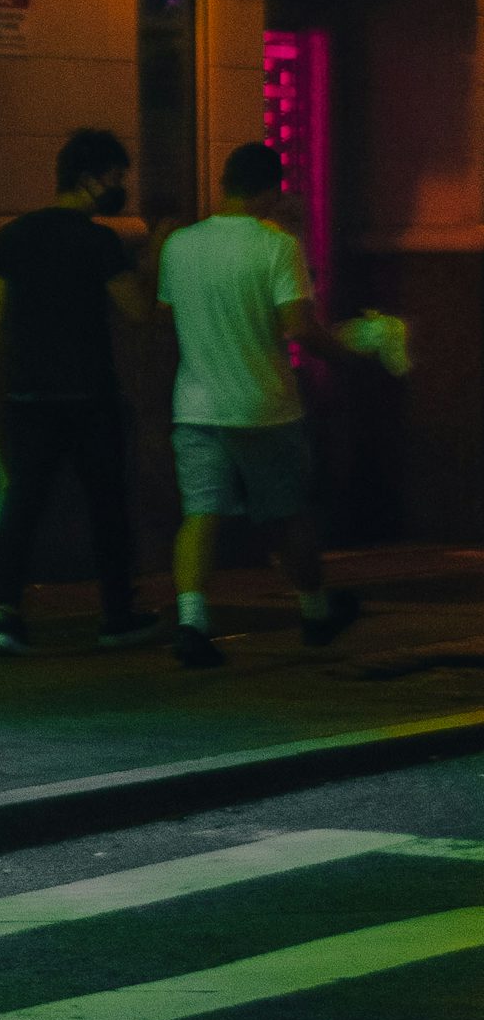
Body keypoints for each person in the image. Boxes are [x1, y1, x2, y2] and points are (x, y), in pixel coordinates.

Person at [158, 141, 372, 668]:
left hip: (195, 405)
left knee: (199, 515)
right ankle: (316, 612)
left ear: (227, 184)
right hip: (265, 407)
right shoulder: (277, 247)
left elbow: (166, 314)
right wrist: (346, 353)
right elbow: (298, 327)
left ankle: (191, 622)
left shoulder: (180, 245)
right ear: (271, 190)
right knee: (288, 514)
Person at [0, 127, 159, 652]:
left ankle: (4, 614)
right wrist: (149, 262)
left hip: (28, 396)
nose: (121, 187)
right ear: (90, 179)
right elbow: (138, 312)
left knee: (22, 503)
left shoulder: (13, 236)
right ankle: (116, 615)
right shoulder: (99, 241)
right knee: (106, 506)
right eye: (117, 177)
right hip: (90, 395)